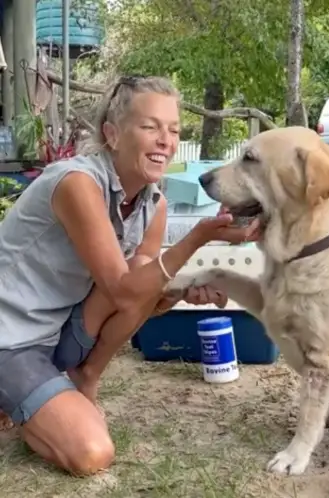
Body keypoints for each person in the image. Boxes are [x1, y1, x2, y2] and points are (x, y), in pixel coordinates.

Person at [0, 75, 259, 475]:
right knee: (91, 454)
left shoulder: (153, 206)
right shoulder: (77, 184)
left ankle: (84, 377)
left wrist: (179, 293)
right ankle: (24, 408)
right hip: (12, 339)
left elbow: (143, 297)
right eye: (150, 126)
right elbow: (121, 292)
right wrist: (196, 239)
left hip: (60, 332)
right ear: (113, 134)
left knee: (142, 267)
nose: (165, 140)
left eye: (173, 130)